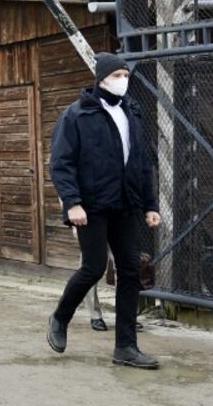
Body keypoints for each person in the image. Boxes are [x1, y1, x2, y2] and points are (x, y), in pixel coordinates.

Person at [47, 54, 161, 369]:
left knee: (130, 271)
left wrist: (150, 205)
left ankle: (125, 347)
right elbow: (61, 163)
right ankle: (60, 316)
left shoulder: (132, 113)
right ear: (102, 78)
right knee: (94, 267)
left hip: (125, 205)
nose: (123, 80)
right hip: (91, 207)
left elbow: (141, 163)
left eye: (126, 74)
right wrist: (73, 203)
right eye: (118, 74)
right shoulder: (77, 115)